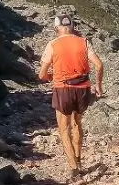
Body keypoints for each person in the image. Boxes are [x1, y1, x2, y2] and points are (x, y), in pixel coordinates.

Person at [37, 13, 103, 174]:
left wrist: (51, 77)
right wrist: (98, 86)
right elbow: (99, 66)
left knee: (64, 129)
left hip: (63, 89)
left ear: (56, 28)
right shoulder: (84, 42)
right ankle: (79, 158)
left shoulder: (52, 45)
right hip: (82, 88)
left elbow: (41, 75)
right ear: (72, 27)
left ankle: (74, 167)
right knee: (77, 123)